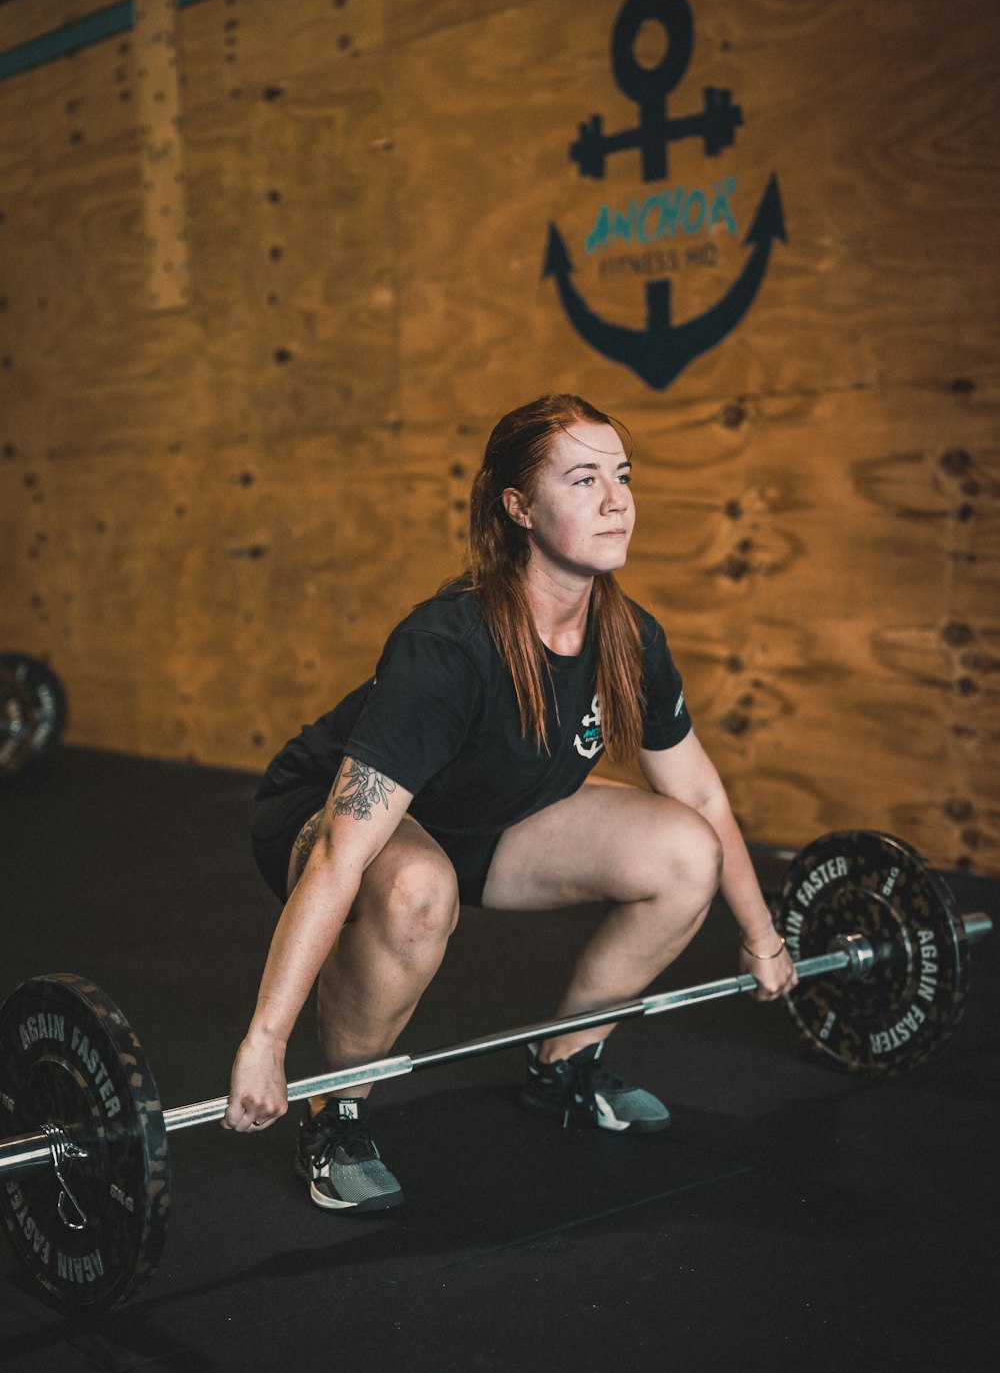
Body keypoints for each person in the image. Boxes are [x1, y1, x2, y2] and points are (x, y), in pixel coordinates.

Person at [224, 393, 797, 1212]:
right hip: (324, 811)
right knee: (417, 892)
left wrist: (762, 935)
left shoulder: (630, 638)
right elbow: (339, 852)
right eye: (584, 478)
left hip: (481, 816)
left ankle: (565, 1063)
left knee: (684, 853)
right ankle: (335, 1110)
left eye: (623, 476)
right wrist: (264, 1042)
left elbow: (699, 790)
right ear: (519, 508)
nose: (616, 499)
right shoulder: (448, 647)